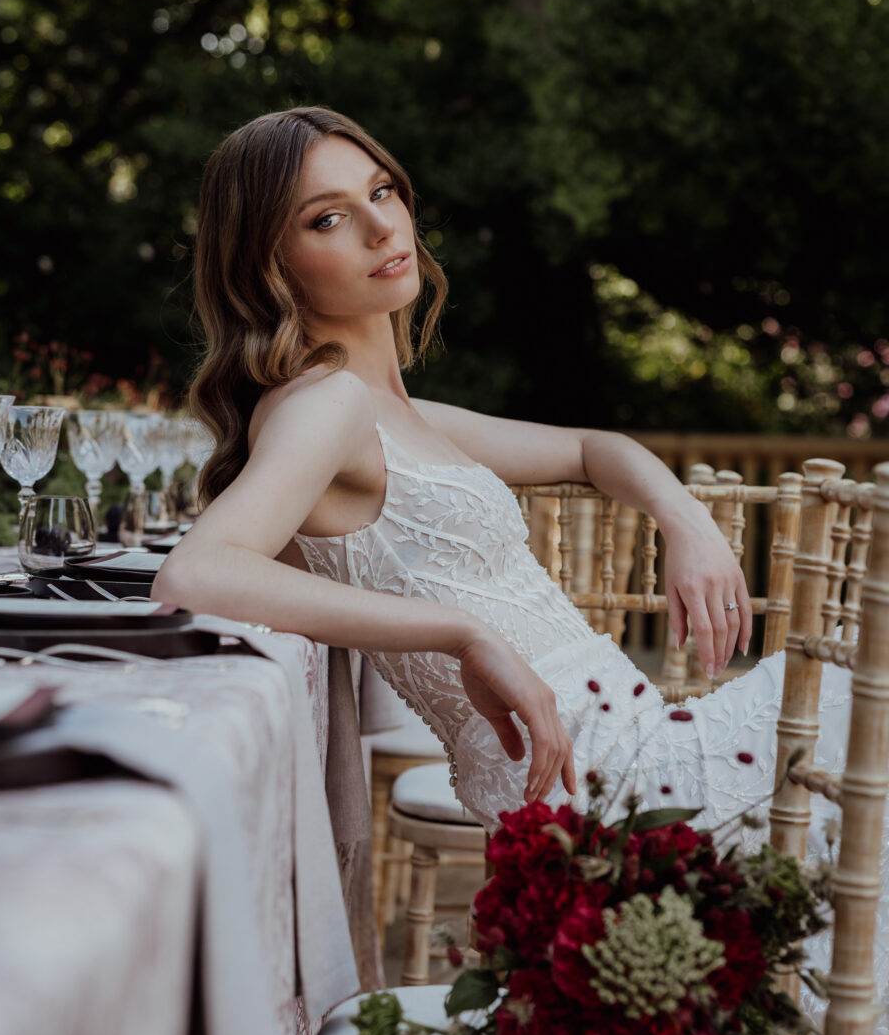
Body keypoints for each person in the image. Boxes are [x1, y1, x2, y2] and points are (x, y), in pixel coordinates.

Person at [154, 105, 854, 834]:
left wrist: (688, 522)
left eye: (382, 191)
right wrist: (462, 633)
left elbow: (593, 449)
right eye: (327, 219)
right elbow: (196, 573)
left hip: (630, 743)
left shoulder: (395, 414)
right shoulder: (327, 406)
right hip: (593, 771)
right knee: (866, 694)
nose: (381, 227)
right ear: (268, 264)